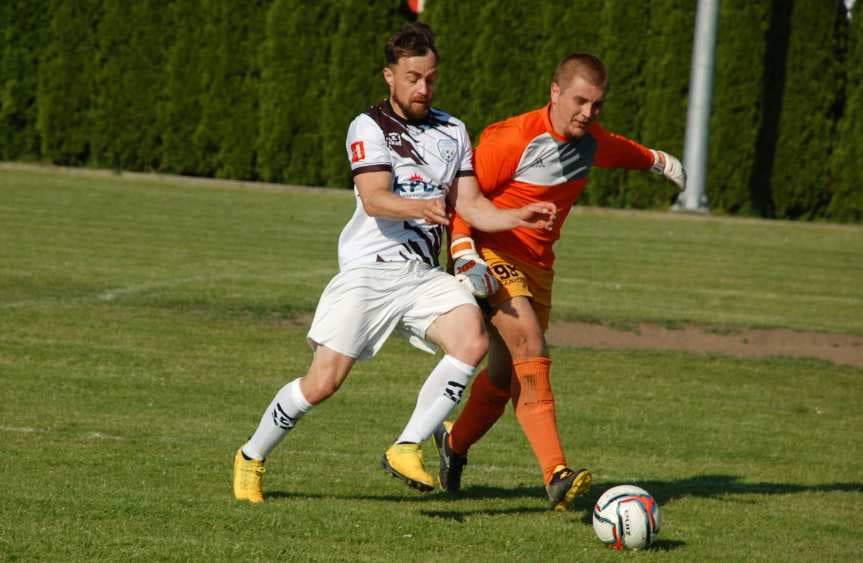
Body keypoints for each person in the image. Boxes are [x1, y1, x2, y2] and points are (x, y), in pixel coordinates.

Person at [231, 22, 556, 503]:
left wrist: (514, 214)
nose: (423, 88)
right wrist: (418, 207)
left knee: (472, 338)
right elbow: (375, 196)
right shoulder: (368, 126)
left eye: (430, 78)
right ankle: (251, 456)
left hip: (422, 277)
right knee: (322, 383)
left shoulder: (453, 130)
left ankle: (407, 447)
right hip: (370, 271)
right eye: (412, 78)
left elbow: (469, 203)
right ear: (389, 76)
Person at [432, 52, 686, 511]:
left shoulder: (590, 140)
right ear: (554, 93)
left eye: (597, 105)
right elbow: (463, 200)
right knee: (531, 345)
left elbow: (619, 150)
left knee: (504, 378)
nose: (588, 113)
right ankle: (556, 475)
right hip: (490, 255)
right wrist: (464, 252)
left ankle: (454, 443)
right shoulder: (510, 138)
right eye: (580, 101)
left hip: (538, 269)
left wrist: (657, 161)